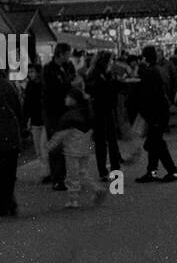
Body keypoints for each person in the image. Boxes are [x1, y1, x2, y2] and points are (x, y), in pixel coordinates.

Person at [46, 87, 104, 211]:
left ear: (74, 100)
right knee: (83, 172)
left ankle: (73, 200)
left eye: (68, 97)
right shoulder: (86, 114)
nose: (66, 99)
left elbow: (61, 135)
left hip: (71, 150)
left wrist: (50, 146)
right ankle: (96, 188)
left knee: (72, 176)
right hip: (84, 149)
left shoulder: (70, 117)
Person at [135, 45, 177, 184]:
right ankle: (153, 171)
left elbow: (147, 94)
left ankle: (171, 170)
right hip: (160, 111)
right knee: (155, 142)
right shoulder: (158, 70)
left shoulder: (149, 72)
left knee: (155, 143)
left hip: (155, 112)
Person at [42, 42, 76, 190]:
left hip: (66, 111)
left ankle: (63, 175)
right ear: (61, 53)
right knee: (56, 145)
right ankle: (57, 178)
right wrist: (68, 85)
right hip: (54, 112)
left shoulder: (68, 67)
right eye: (68, 53)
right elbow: (52, 90)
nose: (70, 56)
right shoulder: (48, 70)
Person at [85, 51, 123, 182]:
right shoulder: (98, 74)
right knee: (105, 141)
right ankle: (109, 169)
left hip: (104, 109)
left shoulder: (101, 73)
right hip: (101, 110)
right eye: (110, 60)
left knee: (106, 141)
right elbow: (100, 89)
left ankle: (109, 169)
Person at [0, 67, 23, 216]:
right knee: (9, 171)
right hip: (10, 135)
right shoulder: (8, 85)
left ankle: (5, 203)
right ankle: (8, 202)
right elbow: (18, 108)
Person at [21, 59, 48, 175]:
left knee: (43, 147)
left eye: (32, 71)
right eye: (29, 72)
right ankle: (46, 170)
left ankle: (48, 172)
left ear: (38, 72)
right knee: (38, 148)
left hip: (45, 121)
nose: (29, 74)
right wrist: (25, 120)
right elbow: (27, 104)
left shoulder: (44, 85)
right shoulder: (30, 86)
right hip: (36, 122)